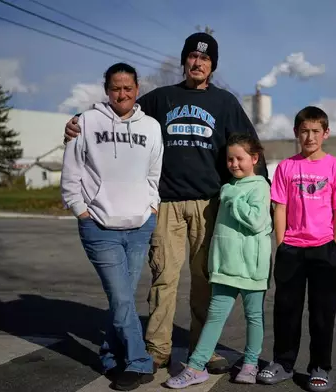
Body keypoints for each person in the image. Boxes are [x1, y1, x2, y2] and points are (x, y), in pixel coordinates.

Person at [62, 32, 268, 374]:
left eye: (205, 59)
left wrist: (263, 192)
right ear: (184, 60)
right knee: (163, 278)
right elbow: (119, 108)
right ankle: (157, 348)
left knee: (206, 279)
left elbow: (250, 147)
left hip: (209, 203)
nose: (198, 63)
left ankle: (205, 346)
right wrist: (77, 124)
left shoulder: (226, 103)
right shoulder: (162, 99)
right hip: (167, 203)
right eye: (192, 57)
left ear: (212, 65)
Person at [60, 62, 163, 391]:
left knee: (124, 299)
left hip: (139, 226)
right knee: (121, 298)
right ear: (107, 90)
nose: (122, 93)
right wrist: (80, 210)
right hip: (99, 227)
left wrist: (151, 208)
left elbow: (153, 174)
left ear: (137, 90)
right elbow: (71, 172)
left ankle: (109, 354)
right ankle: (138, 361)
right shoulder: (87, 122)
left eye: (128, 88)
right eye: (116, 87)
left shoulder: (150, 127)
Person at [255, 106, 336, 392]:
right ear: (296, 133)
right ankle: (283, 364)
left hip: (325, 249)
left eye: (315, 131)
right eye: (304, 131)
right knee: (287, 310)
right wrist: (282, 243)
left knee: (323, 312)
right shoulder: (287, 167)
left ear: (325, 133)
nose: (309, 137)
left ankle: (320, 367)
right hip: (292, 249)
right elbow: (280, 207)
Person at [163, 133, 272, 389]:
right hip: (224, 268)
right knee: (213, 318)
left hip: (252, 268)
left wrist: (233, 200)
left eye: (240, 159)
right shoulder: (227, 187)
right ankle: (196, 367)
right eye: (230, 160)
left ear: (254, 158)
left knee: (254, 317)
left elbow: (257, 222)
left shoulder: (260, 186)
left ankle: (250, 363)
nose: (234, 164)